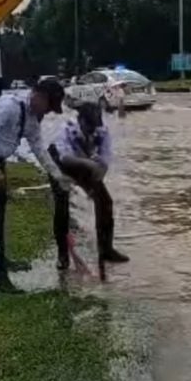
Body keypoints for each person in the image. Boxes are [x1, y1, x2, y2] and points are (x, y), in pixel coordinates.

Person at [0, 79, 71, 293]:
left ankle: (0, 259)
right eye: (49, 106)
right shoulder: (8, 105)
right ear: (39, 96)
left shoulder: (32, 118)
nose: (49, 112)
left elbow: (39, 148)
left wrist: (58, 176)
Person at [48, 101, 129, 270]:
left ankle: (106, 249)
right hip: (60, 164)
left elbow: (105, 159)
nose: (92, 130)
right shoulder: (65, 129)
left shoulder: (102, 132)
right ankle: (62, 256)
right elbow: (65, 158)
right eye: (89, 126)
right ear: (81, 120)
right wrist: (91, 165)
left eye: (95, 127)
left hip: (85, 165)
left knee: (105, 202)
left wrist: (98, 176)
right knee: (62, 207)